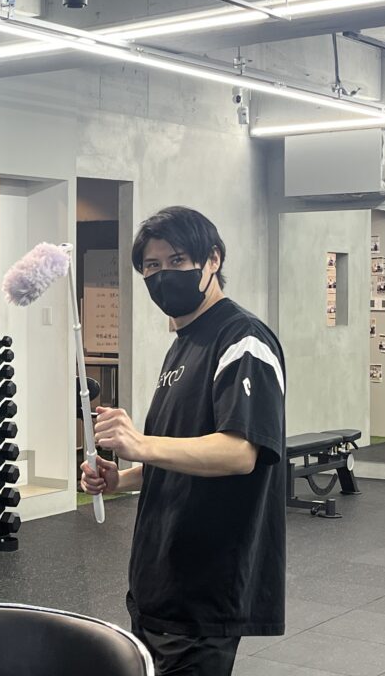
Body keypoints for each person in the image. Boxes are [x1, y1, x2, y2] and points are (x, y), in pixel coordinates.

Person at [81, 206, 285, 676]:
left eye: (176, 261)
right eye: (151, 266)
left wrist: (140, 444)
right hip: (159, 579)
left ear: (212, 260)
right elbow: (183, 450)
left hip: (204, 588)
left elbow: (240, 452)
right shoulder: (184, 343)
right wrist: (123, 478)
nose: (162, 275)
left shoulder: (243, 340)